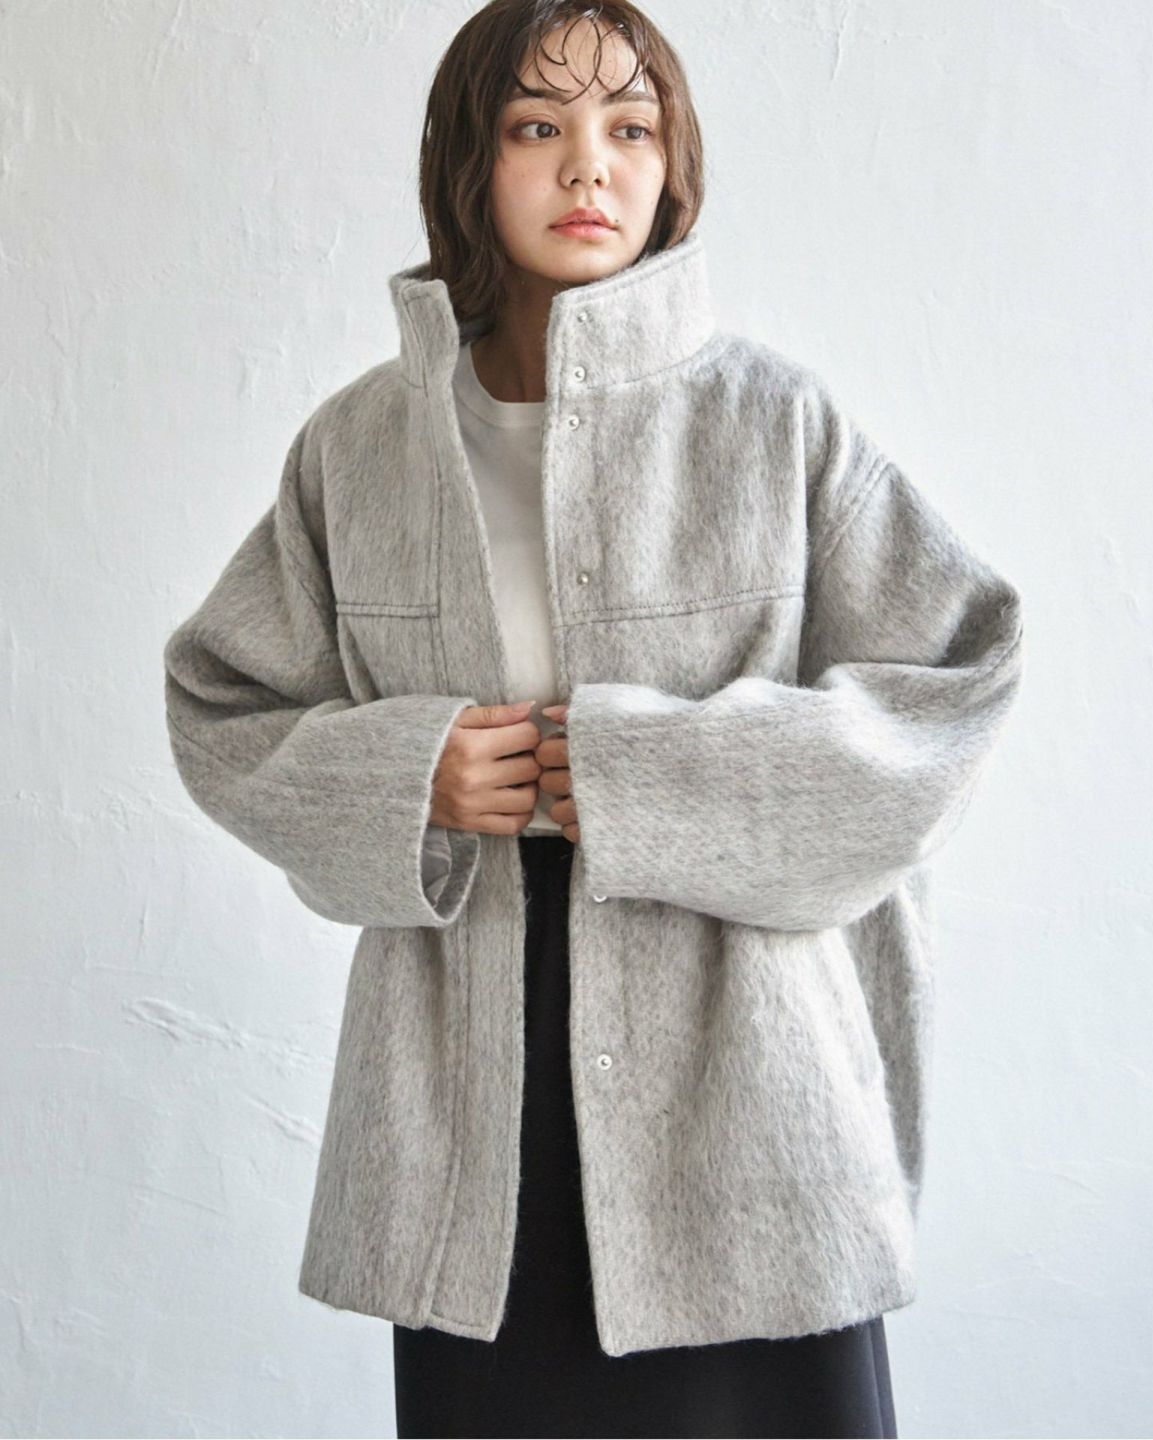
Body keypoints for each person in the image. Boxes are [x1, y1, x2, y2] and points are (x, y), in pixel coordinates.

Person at [163, 3, 1024, 1436]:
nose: (589, 166)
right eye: (537, 127)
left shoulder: (771, 421)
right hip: (470, 1105)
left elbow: (959, 682)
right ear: (468, 161)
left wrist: (644, 773)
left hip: (749, 1100)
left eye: (631, 127)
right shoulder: (359, 448)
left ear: (672, 162)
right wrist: (408, 776)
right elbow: (220, 702)